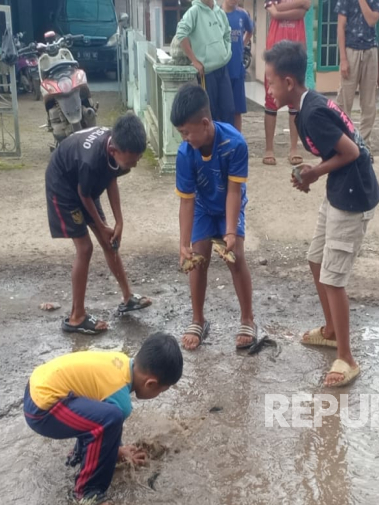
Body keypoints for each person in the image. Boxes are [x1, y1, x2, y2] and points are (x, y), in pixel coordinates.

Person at [264, 40, 379, 387]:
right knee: (316, 259)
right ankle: (330, 330)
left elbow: (351, 151)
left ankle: (346, 357)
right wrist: (316, 170)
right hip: (338, 191)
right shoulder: (305, 107)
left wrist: (314, 172)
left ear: (288, 82)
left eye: (270, 81)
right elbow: (339, 149)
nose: (268, 89)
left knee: (333, 278)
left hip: (353, 196)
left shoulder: (311, 112)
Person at [23, 332, 183, 505]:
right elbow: (107, 424)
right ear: (151, 384)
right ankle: (87, 492)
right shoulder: (122, 401)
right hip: (41, 410)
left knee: (100, 417)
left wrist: (118, 450)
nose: (158, 395)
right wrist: (115, 450)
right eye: (162, 391)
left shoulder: (120, 361)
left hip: (35, 386)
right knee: (109, 419)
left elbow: (93, 407)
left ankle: (78, 456)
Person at [45, 114, 153, 334]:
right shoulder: (91, 160)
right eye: (132, 160)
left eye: (138, 158)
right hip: (63, 186)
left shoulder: (119, 148)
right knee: (85, 248)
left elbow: (111, 177)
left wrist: (118, 221)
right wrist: (101, 225)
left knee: (109, 241)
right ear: (114, 151)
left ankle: (127, 297)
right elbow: (84, 196)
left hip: (84, 182)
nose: (134, 164)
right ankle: (76, 317)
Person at [171, 84, 257, 351]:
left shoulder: (235, 144)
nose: (184, 138)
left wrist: (230, 232)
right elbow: (186, 201)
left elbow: (234, 191)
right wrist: (183, 243)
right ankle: (198, 319)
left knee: (236, 257)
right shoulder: (185, 154)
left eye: (186, 132)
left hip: (228, 204)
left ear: (205, 123)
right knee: (197, 259)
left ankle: (248, 318)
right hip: (202, 208)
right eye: (180, 133)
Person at [263, 0, 310, 167]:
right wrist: (296, 8)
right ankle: (269, 149)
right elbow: (274, 12)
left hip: (296, 51)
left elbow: (306, 5)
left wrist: (279, 9)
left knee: (295, 101)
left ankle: (293, 149)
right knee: (270, 101)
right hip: (275, 52)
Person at [334, 0, 379, 149]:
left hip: (370, 50)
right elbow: (340, 27)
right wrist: (343, 58)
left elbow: (371, 20)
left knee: (369, 102)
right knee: (344, 100)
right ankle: (344, 144)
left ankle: (364, 145)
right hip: (350, 51)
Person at [175, 0, 235, 126]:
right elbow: (181, 33)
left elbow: (227, 33)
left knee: (228, 110)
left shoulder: (219, 12)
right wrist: (194, 60)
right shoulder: (194, 11)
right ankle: (213, 145)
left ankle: (227, 144)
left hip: (223, 68)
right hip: (206, 72)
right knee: (211, 112)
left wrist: (226, 52)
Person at [222, 0, 253, 132]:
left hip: (237, 68)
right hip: (222, 69)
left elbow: (250, 30)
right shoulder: (217, 14)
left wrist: (242, 44)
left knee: (237, 109)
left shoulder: (243, 15)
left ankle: (237, 138)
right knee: (223, 108)